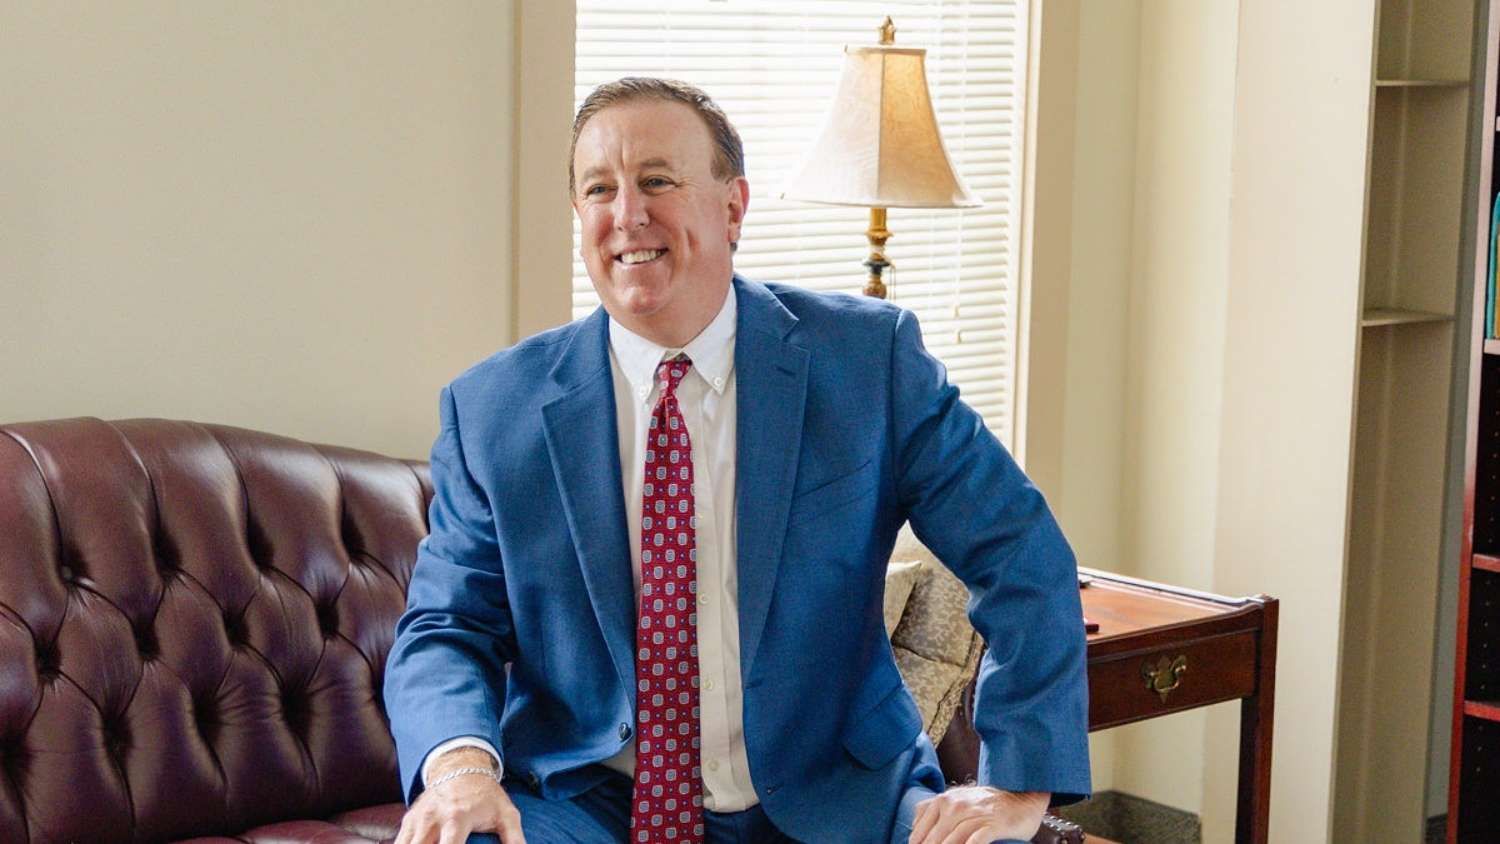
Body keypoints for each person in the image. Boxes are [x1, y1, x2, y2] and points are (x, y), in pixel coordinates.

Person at [384, 77, 1089, 844]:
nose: (628, 214)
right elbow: (448, 625)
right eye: (599, 189)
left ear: (733, 207)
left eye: (658, 180)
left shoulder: (867, 364)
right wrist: (461, 771)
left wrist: (1018, 784)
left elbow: (1019, 551)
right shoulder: (494, 410)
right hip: (590, 806)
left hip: (839, 794)